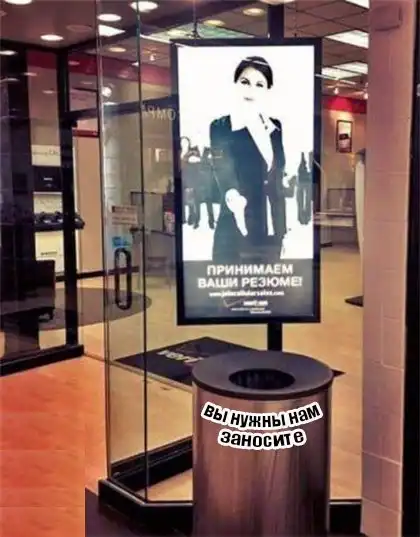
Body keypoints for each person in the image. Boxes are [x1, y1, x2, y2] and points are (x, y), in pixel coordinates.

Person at [210, 55, 293, 264]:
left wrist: (282, 230)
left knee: (269, 283)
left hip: (270, 230)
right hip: (236, 225)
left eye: (259, 84)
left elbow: (276, 181)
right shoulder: (221, 126)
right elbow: (223, 167)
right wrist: (233, 196)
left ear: (268, 90)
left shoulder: (275, 127)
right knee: (233, 282)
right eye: (245, 82)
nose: (251, 90)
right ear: (235, 84)